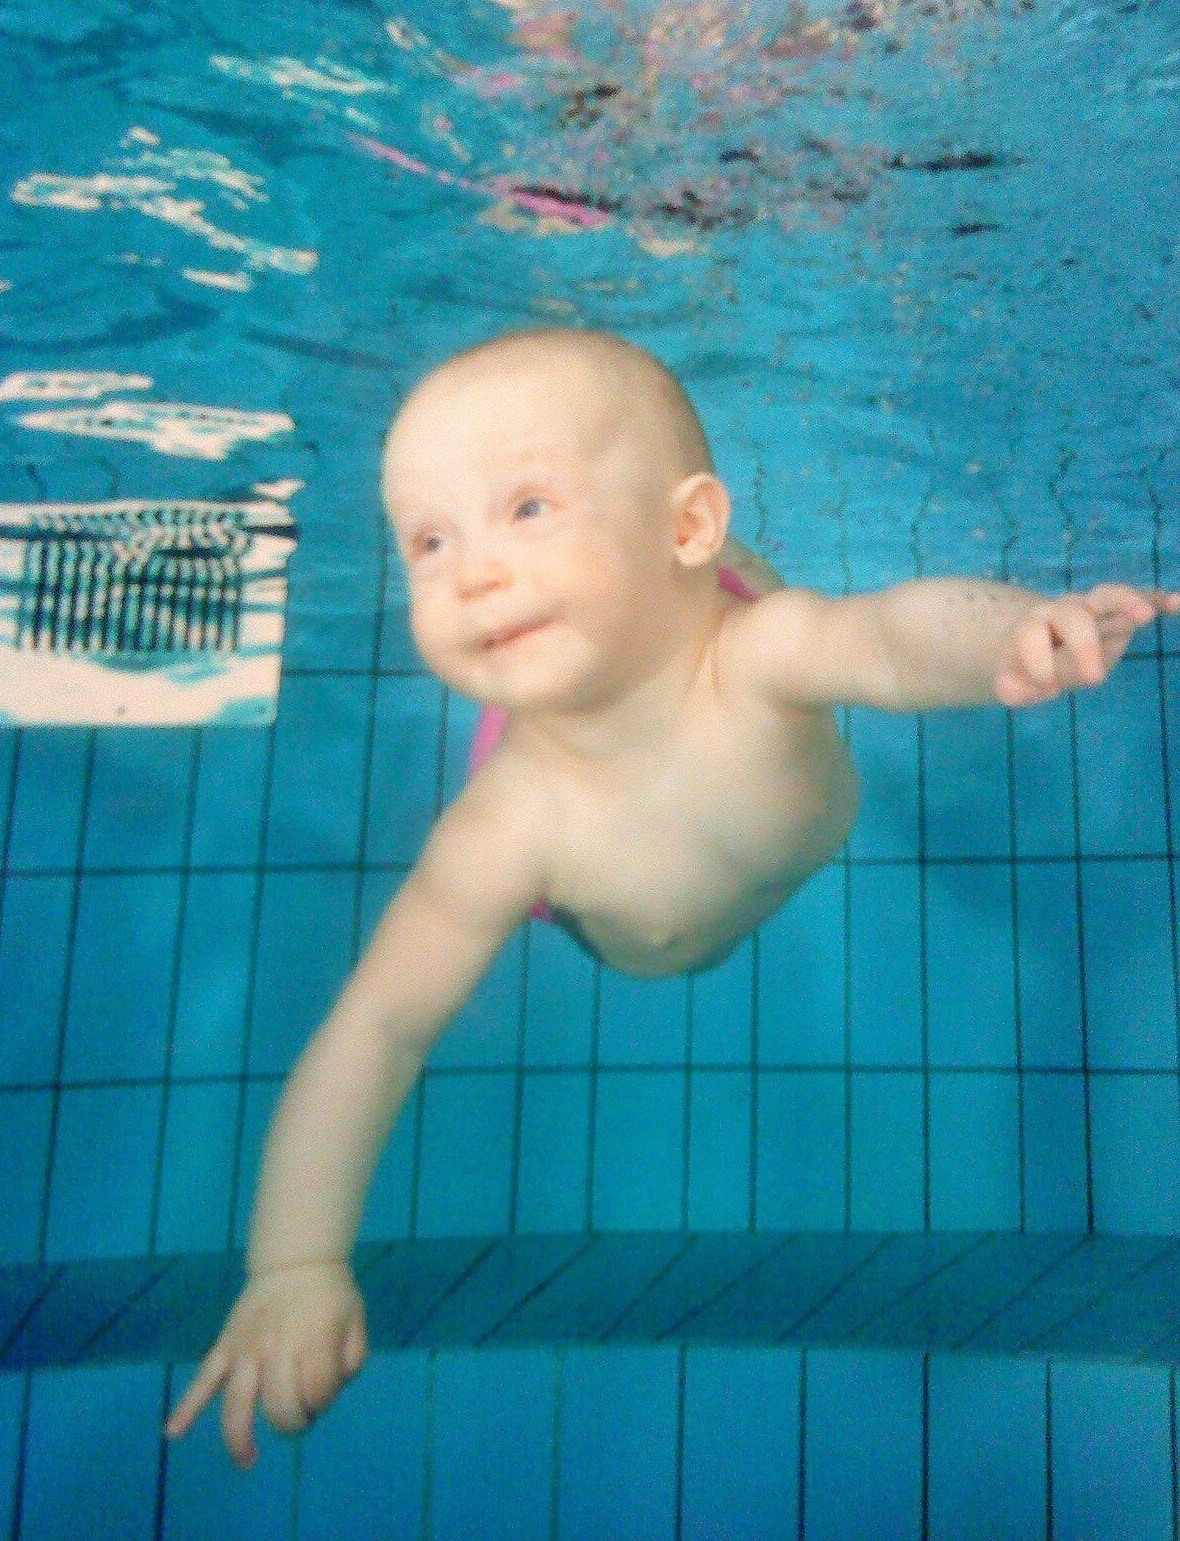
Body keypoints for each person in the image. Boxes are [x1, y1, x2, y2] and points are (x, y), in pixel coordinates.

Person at [165, 326, 1178, 1468]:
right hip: (628, 916)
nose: (470, 573)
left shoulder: (759, 655)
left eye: (526, 509)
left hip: (712, 630)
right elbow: (379, 1026)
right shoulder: (505, 831)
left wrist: (1012, 632)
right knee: (651, 920)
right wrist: (293, 1262)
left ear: (692, 524)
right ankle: (607, 600)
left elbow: (890, 638)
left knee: (774, 615)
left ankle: (651, 571)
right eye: (427, 540)